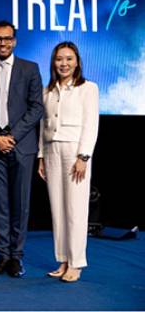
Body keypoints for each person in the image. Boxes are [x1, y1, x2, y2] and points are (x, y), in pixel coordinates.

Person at [0, 20, 43, 278]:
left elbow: (37, 107)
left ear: (15, 41)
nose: (3, 43)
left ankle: (16, 257)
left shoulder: (30, 68)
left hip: (22, 146)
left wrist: (12, 136)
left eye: (7, 38)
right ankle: (2, 255)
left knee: (20, 204)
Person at [37, 42, 99, 283]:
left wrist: (84, 156)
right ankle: (63, 259)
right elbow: (42, 125)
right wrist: (41, 156)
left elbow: (91, 124)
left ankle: (76, 262)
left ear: (77, 62)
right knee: (58, 209)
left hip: (75, 152)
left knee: (76, 209)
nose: (64, 63)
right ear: (53, 62)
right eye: (59, 59)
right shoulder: (47, 90)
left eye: (69, 59)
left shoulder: (88, 88)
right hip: (51, 150)